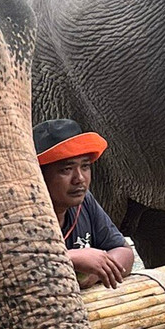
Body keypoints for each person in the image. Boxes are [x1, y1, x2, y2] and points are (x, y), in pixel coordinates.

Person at [34, 118, 135, 289]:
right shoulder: (24, 214)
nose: (79, 178)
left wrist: (97, 272)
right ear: (39, 174)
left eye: (85, 166)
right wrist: (71, 258)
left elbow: (124, 251)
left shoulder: (85, 202)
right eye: (66, 169)